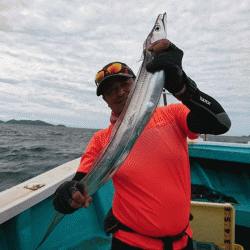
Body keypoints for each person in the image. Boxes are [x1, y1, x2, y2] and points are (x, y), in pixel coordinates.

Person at [53, 39, 231, 250]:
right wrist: (67, 195)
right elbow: (79, 186)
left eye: (125, 84)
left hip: (183, 242)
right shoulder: (101, 140)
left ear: (138, 84)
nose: (120, 93)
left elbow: (220, 123)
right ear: (105, 101)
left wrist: (183, 88)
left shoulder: (173, 115)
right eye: (111, 91)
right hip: (130, 243)